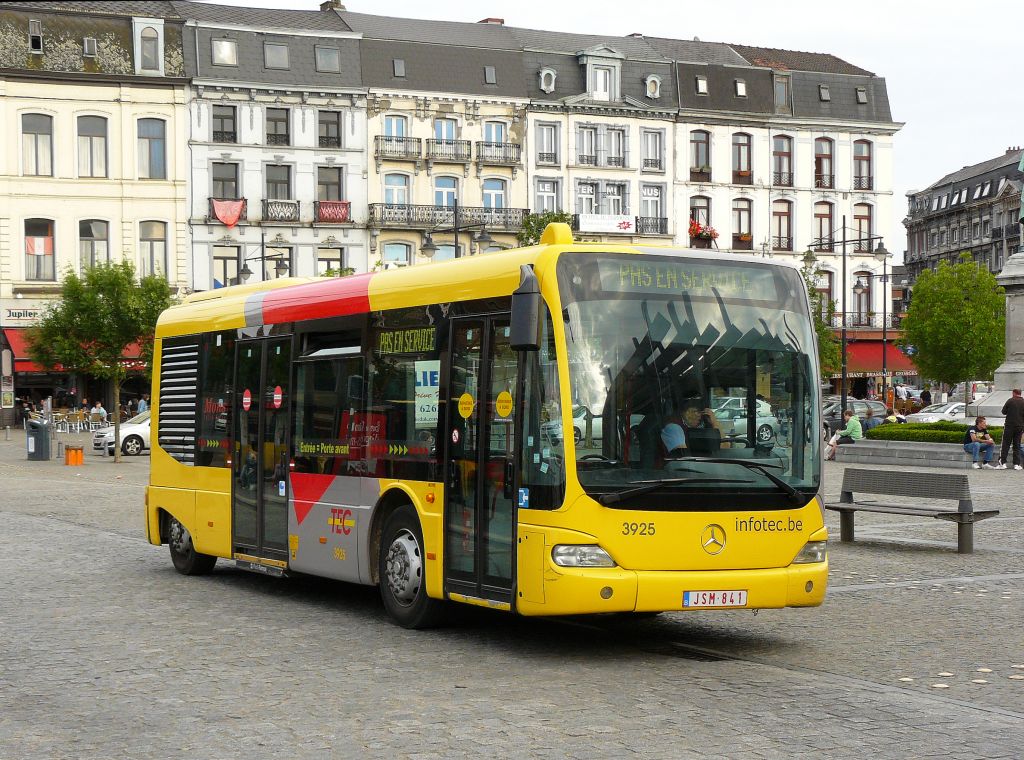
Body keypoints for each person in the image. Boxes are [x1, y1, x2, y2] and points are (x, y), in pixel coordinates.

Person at [998, 388, 1024, 470]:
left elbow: (1003, 412)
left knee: (1005, 444)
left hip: (1009, 426)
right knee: (1017, 445)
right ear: (1020, 393)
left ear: (1014, 393)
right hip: (1020, 426)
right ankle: (1016, 464)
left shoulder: (1010, 400)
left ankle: (1003, 463)